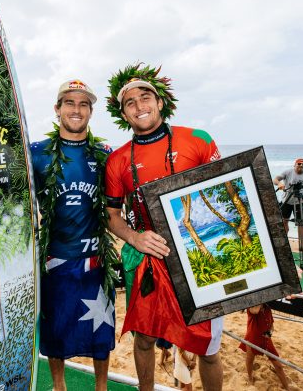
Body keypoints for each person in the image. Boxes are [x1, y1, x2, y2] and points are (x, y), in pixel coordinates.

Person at [104, 63, 223, 391]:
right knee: (143, 340)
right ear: (124, 114)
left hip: (200, 259)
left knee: (208, 349)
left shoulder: (198, 139)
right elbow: (111, 214)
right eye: (130, 103)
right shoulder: (117, 161)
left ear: (160, 102)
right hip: (149, 262)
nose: (140, 106)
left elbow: (228, 194)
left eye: (145, 98)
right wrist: (134, 237)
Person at [30, 79, 116, 391]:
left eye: (83, 104)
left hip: (96, 260)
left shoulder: (106, 154)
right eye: (69, 103)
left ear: (91, 111)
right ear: (57, 109)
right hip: (55, 260)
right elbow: (6, 196)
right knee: (55, 328)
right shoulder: (36, 154)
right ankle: (59, 386)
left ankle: (102, 387)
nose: (76, 110)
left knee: (101, 332)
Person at [239, 304, 289, 389]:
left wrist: (268, 334)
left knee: (278, 365)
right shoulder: (251, 308)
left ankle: (286, 387)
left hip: (266, 340)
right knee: (250, 359)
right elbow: (255, 311)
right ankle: (250, 378)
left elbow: (272, 327)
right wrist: (260, 300)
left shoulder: (268, 308)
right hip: (252, 338)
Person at [273, 158, 303, 253]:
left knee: (300, 223)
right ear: (295, 164)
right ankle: (283, 243)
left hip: (299, 202)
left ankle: (301, 245)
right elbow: (275, 179)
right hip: (286, 201)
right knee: (284, 222)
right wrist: (279, 184)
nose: (301, 165)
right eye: (299, 163)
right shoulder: (288, 172)